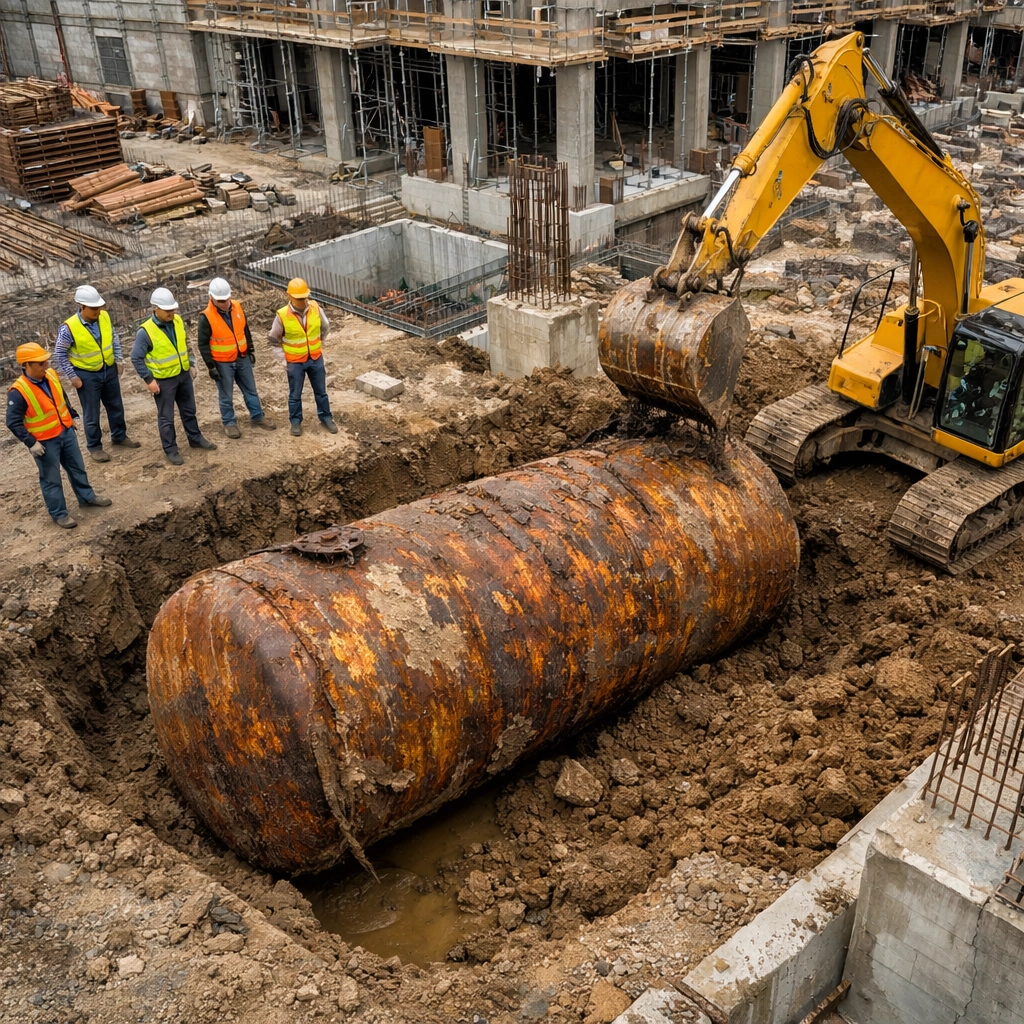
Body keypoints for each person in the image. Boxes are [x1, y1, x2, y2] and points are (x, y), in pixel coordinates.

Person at [6, 342, 112, 529]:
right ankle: (59, 513)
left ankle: (87, 498)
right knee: (51, 478)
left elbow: (61, 397)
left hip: (65, 431)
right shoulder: (18, 392)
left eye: (45, 361)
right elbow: (12, 422)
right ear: (26, 365)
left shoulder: (51, 375)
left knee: (77, 468)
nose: (45, 365)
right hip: (45, 442)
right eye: (40, 363)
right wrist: (31, 442)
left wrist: (71, 415)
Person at [53, 284, 140, 462]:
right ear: (82, 306)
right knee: (92, 413)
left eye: (99, 307)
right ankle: (94, 446)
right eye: (93, 308)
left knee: (116, 406)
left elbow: (113, 337)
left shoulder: (104, 317)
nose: (97, 311)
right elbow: (60, 354)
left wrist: (118, 358)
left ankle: (119, 436)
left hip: (108, 369)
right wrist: (73, 377)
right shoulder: (69, 328)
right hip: (86, 374)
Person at [131, 287, 218, 466]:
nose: (172, 312)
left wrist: (192, 363)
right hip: (163, 381)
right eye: (167, 310)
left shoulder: (178, 321)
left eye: (173, 309)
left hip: (183, 375)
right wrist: (149, 380)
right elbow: (136, 357)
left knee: (189, 410)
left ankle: (195, 438)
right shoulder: (145, 332)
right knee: (166, 417)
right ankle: (170, 449)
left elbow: (186, 343)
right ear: (155, 309)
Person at [197, 277, 276, 439]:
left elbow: (245, 330)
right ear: (211, 298)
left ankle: (257, 416)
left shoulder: (238, 307)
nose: (224, 303)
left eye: (226, 299)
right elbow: (203, 344)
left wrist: (251, 350)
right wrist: (211, 366)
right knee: (226, 395)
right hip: (222, 363)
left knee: (251, 390)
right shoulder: (206, 317)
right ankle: (229, 423)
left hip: (241, 357)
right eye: (220, 300)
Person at [268, 278, 338, 437]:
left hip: (315, 358)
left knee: (321, 392)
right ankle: (295, 422)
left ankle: (326, 418)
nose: (302, 301)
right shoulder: (282, 315)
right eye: (299, 298)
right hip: (295, 363)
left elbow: (325, 328)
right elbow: (273, 340)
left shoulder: (315, 308)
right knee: (295, 394)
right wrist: (284, 360)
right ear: (290, 297)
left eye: (304, 297)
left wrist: (316, 344)